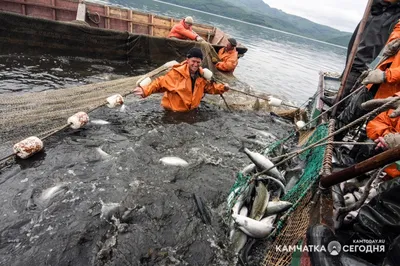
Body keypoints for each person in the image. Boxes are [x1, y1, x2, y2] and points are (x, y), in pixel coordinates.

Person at [132, 48, 230, 112]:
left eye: (198, 62)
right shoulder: (176, 73)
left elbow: (210, 88)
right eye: (193, 61)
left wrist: (223, 88)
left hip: (190, 111)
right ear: (187, 60)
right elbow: (159, 83)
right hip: (172, 112)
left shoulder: (202, 76)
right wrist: (145, 90)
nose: (195, 65)